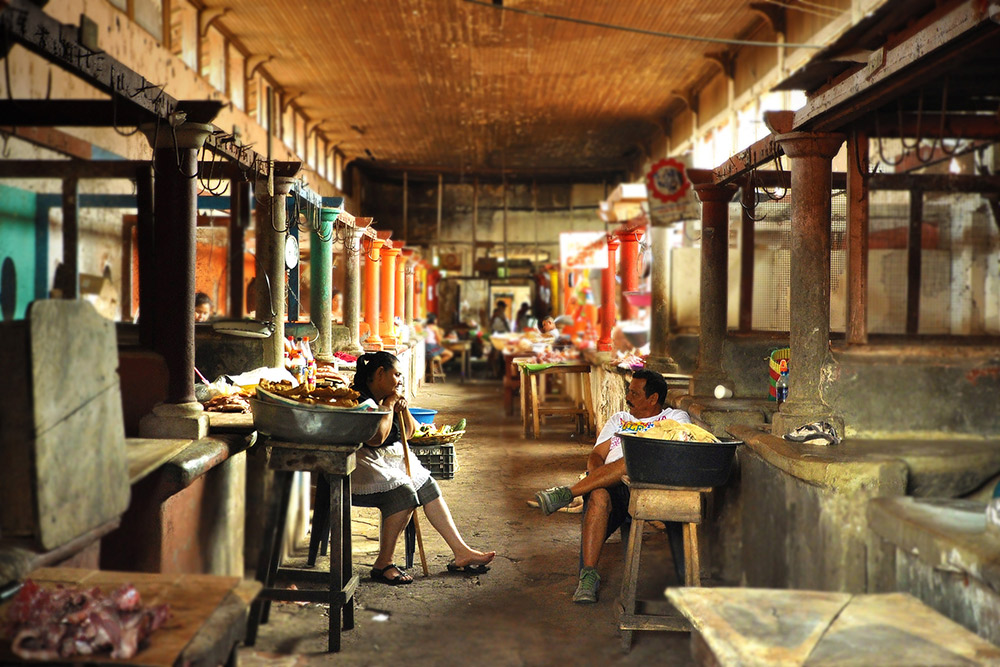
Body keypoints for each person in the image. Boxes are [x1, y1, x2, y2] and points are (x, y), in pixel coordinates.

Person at [533, 369, 690, 603]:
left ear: (653, 398)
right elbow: (597, 455)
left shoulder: (675, 418)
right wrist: (599, 478)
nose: (628, 397)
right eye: (628, 391)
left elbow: (669, 453)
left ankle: (568, 493)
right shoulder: (619, 419)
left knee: (634, 458)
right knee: (597, 493)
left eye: (634, 393)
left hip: (652, 487)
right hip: (617, 489)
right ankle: (588, 577)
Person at [352, 352, 494, 584]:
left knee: (426, 484)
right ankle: (383, 564)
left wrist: (403, 408)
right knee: (404, 494)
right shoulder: (361, 399)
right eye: (396, 374)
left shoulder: (389, 397)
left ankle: (461, 551)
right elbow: (376, 438)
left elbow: (409, 433)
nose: (399, 380)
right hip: (362, 463)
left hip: (385, 460)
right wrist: (389, 404)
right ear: (379, 374)